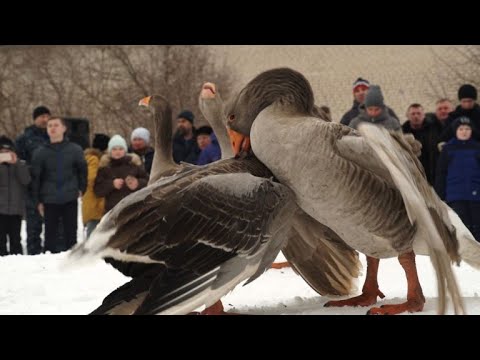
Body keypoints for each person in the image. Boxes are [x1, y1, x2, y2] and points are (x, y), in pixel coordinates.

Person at [31, 117, 87, 253]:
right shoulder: (40, 152)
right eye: (49, 126)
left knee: (71, 235)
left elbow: (82, 170)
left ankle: (72, 265)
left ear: (64, 128)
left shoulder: (75, 149)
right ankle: (49, 267)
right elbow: (36, 178)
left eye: (56, 125)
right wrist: (37, 200)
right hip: (49, 199)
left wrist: (81, 188)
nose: (52, 128)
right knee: (50, 236)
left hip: (70, 197)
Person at [435, 117, 480, 242]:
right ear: (455, 131)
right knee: (461, 227)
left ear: (471, 131)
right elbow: (441, 173)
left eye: (467, 128)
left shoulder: (477, 148)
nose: (464, 131)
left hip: (476, 196)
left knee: (477, 227)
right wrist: (440, 195)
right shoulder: (448, 149)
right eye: (461, 129)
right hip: (455, 196)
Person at [15, 106, 51, 254]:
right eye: (41, 116)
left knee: (54, 226)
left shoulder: (55, 136)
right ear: (35, 118)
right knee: (33, 226)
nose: (44, 119)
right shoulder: (25, 138)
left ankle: (53, 254)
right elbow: (19, 162)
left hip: (52, 186)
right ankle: (33, 256)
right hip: (32, 187)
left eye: (47, 116)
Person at [94, 135, 149, 213]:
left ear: (125, 151)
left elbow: (148, 182)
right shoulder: (104, 168)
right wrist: (111, 184)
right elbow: (97, 191)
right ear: (110, 151)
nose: (117, 151)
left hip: (133, 209)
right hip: (112, 211)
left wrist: (137, 183)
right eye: (114, 149)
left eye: (121, 149)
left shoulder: (134, 165)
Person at [0, 136, 31, 255]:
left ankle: (17, 263)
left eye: (7, 152)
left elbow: (26, 180)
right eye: (1, 152)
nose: (4, 155)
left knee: (15, 240)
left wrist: (16, 163)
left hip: (16, 209)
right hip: (0, 210)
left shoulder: (20, 164)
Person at [82, 133, 110, 239]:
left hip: (91, 200)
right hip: (94, 200)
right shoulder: (95, 159)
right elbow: (91, 178)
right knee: (93, 231)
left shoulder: (89, 158)